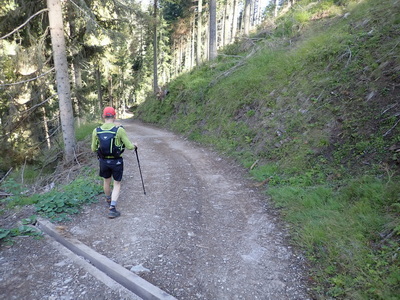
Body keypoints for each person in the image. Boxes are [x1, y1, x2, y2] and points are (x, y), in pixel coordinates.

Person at [91, 107, 137, 218]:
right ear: (114, 116)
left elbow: (93, 148)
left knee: (106, 181)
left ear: (103, 116)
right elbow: (129, 146)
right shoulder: (119, 130)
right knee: (117, 183)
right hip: (116, 161)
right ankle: (112, 208)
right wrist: (135, 145)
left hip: (103, 161)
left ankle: (108, 198)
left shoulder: (96, 131)